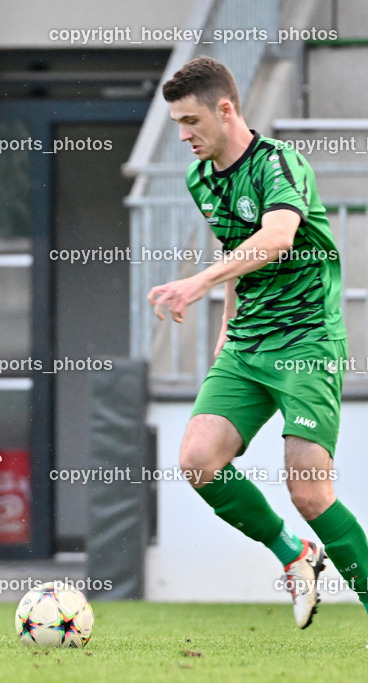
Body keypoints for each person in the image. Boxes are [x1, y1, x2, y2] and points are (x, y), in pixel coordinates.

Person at [148, 56, 368, 634]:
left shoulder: (280, 164)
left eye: (191, 121)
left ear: (226, 110)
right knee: (197, 462)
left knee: (308, 488)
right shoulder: (201, 180)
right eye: (176, 123)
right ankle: (294, 555)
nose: (184, 135)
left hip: (307, 339)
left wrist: (196, 280)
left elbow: (275, 237)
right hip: (247, 345)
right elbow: (238, 264)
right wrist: (224, 337)